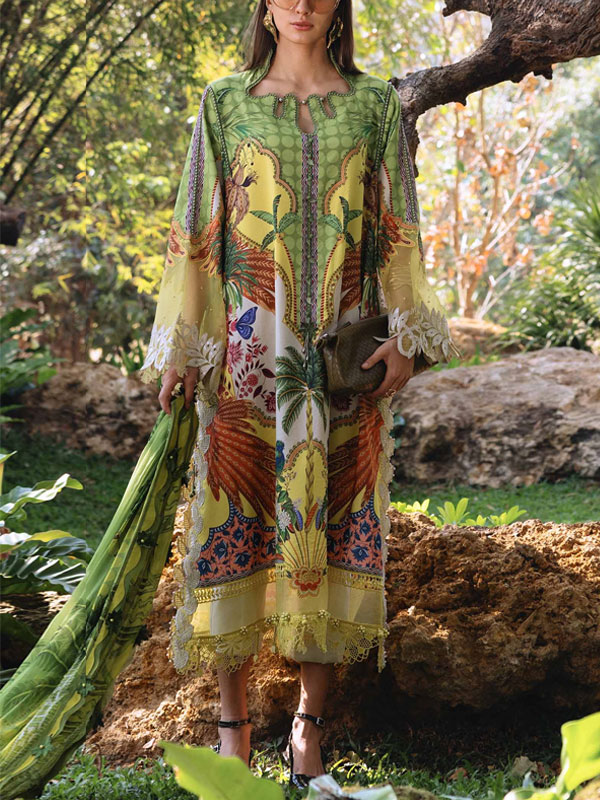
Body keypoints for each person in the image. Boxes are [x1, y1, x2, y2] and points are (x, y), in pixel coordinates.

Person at [138, 0, 460, 788]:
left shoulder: (375, 103)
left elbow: (399, 225)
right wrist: (182, 346)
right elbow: (196, 226)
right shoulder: (225, 101)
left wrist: (405, 337)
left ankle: (308, 731)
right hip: (247, 361)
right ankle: (234, 729)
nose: (303, 4)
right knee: (236, 525)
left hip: (343, 365)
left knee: (337, 529)